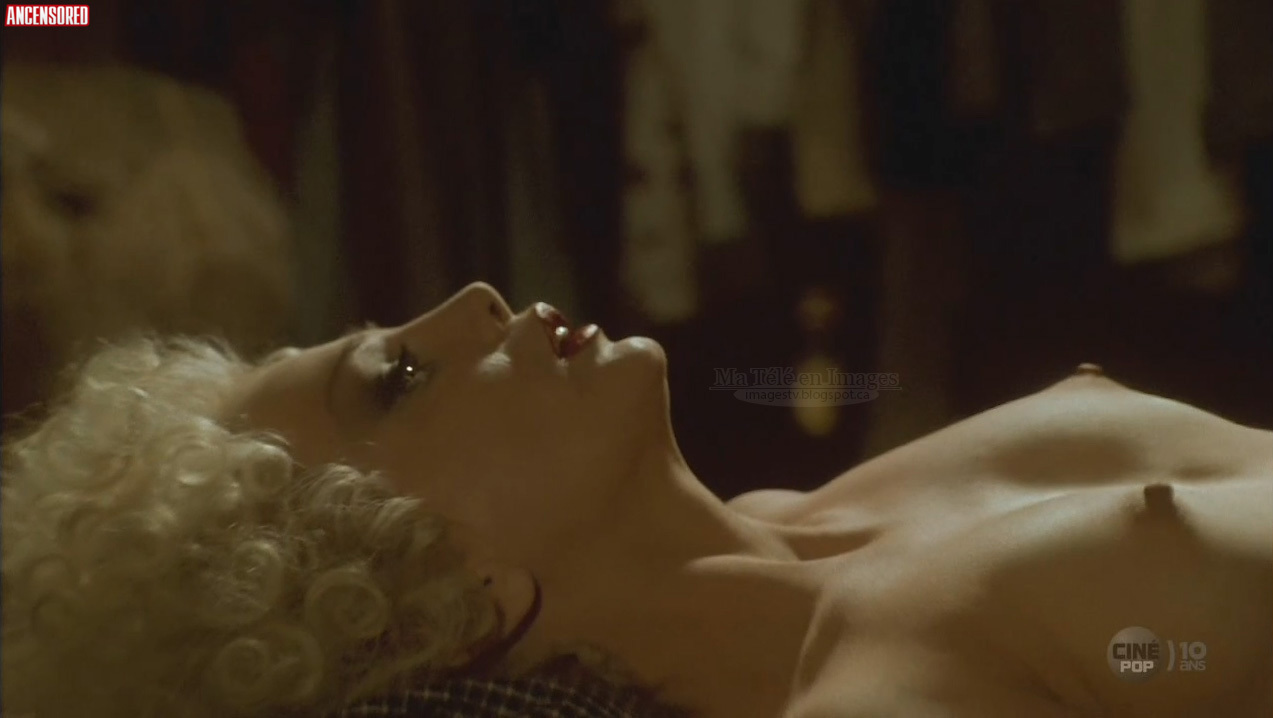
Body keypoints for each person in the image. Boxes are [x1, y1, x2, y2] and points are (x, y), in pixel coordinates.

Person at [3, 282, 1270, 718]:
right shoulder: (882, 687)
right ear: (448, 590)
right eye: (397, 379)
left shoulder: (802, 509)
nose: (469, 304)